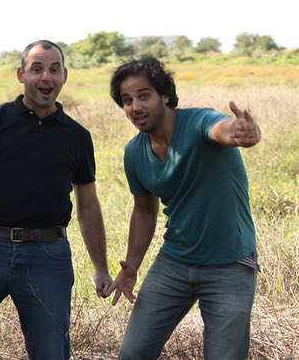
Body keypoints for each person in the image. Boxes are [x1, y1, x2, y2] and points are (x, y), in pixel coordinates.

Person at [0, 40, 112, 359]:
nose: (46, 77)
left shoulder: (77, 137)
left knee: (50, 352)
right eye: (37, 69)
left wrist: (101, 267)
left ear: (64, 76)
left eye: (54, 69)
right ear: (21, 74)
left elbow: (88, 205)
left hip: (47, 254)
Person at [106, 55, 261, 359]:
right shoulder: (134, 153)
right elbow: (144, 210)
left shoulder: (198, 121)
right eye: (127, 100)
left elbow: (222, 129)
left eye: (144, 95)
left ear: (165, 95)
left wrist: (243, 133)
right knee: (132, 352)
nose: (135, 107)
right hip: (174, 263)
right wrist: (132, 265)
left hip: (229, 265)